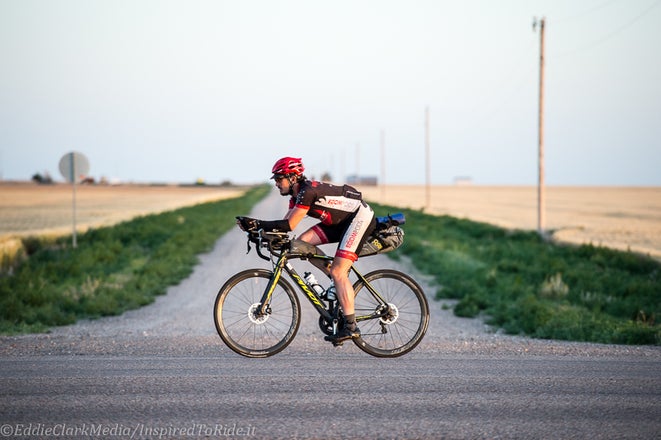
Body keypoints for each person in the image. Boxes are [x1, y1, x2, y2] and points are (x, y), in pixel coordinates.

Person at [237, 156, 376, 343]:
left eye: (279, 179)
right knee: (303, 244)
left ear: (293, 177)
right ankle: (337, 286)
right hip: (340, 221)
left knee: (338, 271)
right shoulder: (295, 196)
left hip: (358, 218)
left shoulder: (307, 192)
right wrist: (259, 231)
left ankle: (351, 327)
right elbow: (283, 227)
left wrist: (257, 223)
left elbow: (289, 224)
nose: (277, 184)